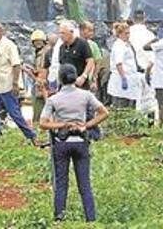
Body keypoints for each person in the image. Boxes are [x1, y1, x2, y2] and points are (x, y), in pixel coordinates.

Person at [40, 64, 110, 223]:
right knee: (85, 184)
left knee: (61, 183)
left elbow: (43, 123)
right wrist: (87, 125)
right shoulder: (85, 95)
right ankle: (91, 220)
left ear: (60, 79)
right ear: (75, 77)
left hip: (62, 143)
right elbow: (104, 112)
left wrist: (61, 125)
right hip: (81, 141)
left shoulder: (54, 99)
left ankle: (59, 219)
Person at [0, 22, 37, 142]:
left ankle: (31, 135)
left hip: (7, 87)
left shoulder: (9, 46)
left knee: (15, 114)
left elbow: (16, 65)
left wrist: (15, 83)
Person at [108, 22, 141, 109]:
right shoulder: (119, 45)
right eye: (126, 33)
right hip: (120, 80)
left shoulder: (127, 44)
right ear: (119, 34)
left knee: (130, 105)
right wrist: (123, 78)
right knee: (121, 106)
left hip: (131, 79)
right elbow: (119, 63)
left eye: (129, 33)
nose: (128, 35)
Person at [28, 30, 51, 126]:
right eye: (35, 42)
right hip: (40, 83)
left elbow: (44, 69)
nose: (37, 44)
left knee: (39, 110)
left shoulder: (45, 53)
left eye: (39, 42)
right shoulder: (39, 53)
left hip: (42, 85)